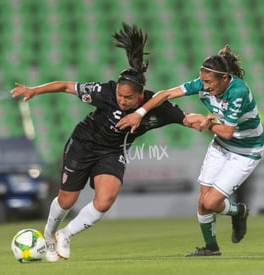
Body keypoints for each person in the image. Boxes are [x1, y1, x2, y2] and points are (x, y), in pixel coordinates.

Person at [10, 23, 191, 262]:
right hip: (83, 144)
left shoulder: (159, 107)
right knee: (67, 200)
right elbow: (66, 86)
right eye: (119, 96)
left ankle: (66, 234)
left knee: (105, 200)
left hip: (112, 151)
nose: (122, 101)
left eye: (128, 98)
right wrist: (35, 90)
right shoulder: (104, 92)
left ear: (141, 95)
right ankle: (49, 233)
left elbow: (188, 119)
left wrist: (200, 122)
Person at [116, 45, 264, 256]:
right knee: (203, 203)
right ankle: (211, 248)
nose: (204, 86)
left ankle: (239, 211)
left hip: (246, 151)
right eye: (202, 81)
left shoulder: (238, 91)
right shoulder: (204, 84)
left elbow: (228, 131)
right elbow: (166, 94)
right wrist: (140, 113)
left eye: (209, 82)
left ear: (224, 79)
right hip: (221, 147)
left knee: (211, 202)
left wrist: (205, 124)